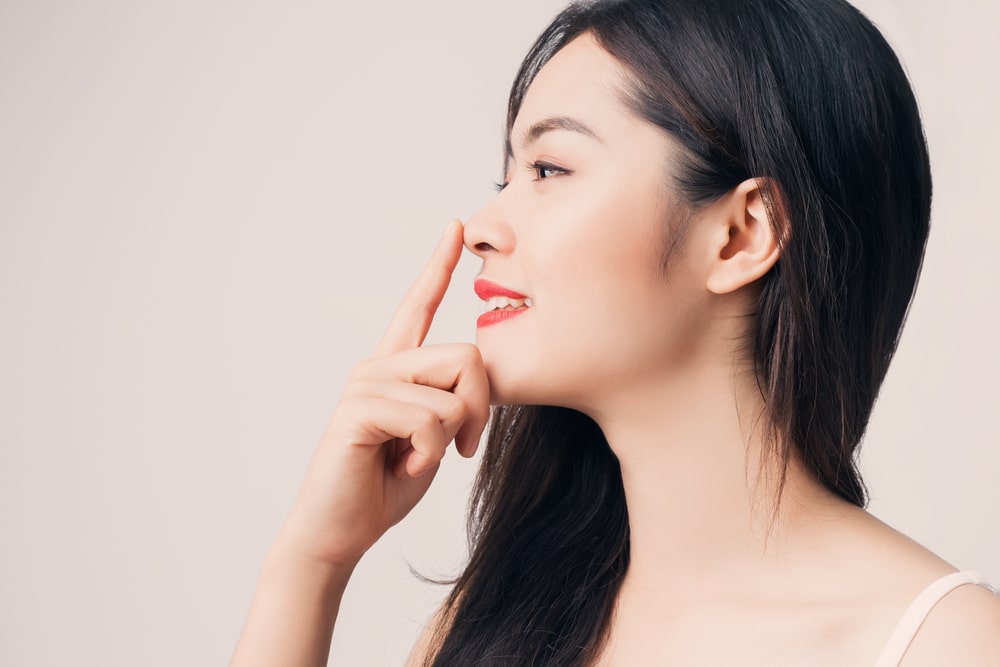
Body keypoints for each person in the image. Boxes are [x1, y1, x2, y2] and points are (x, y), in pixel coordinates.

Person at [230, 0, 1000, 664]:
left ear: (740, 235)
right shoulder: (498, 621)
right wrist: (314, 560)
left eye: (550, 169)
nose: (482, 227)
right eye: (508, 175)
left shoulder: (944, 644)